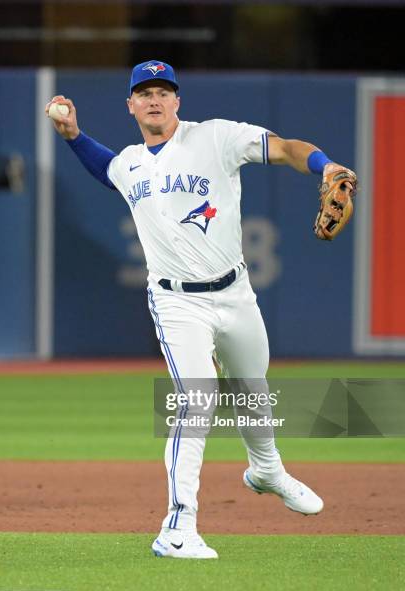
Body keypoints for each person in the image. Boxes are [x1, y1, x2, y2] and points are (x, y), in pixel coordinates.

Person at [46, 60, 353, 560]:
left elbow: (289, 148)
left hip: (235, 292)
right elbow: (104, 167)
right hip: (175, 299)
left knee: (253, 389)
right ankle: (177, 527)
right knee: (198, 399)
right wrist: (73, 134)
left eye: (163, 91)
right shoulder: (130, 163)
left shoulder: (217, 138)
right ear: (130, 104)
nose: (154, 99)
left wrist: (328, 167)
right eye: (144, 92)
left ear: (177, 100)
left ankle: (266, 470)